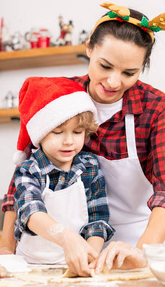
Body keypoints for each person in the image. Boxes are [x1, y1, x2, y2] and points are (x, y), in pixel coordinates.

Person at [0, 2, 165, 274]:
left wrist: (142, 252)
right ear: (89, 48)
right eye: (105, 66)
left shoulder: (156, 107)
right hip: (72, 247)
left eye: (129, 73)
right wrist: (5, 248)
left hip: (143, 241)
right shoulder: (58, 97)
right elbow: (23, 176)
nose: (114, 82)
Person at [11, 77, 115, 276]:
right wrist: (67, 238)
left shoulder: (89, 167)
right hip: (30, 268)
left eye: (77, 132)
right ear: (40, 134)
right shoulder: (29, 170)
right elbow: (31, 213)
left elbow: (98, 220)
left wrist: (89, 257)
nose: (69, 141)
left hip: (75, 266)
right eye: (58, 132)